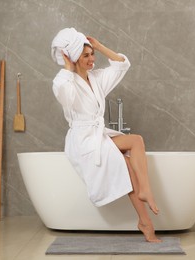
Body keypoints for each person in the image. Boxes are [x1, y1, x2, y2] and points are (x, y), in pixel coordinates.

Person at [51, 28, 160, 242]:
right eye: (86, 56)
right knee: (126, 165)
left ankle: (145, 191)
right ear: (73, 58)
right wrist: (67, 68)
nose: (92, 59)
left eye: (93, 54)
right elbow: (66, 96)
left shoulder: (97, 78)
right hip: (83, 141)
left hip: (97, 135)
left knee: (136, 141)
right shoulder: (63, 81)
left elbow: (122, 64)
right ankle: (145, 222)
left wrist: (99, 45)